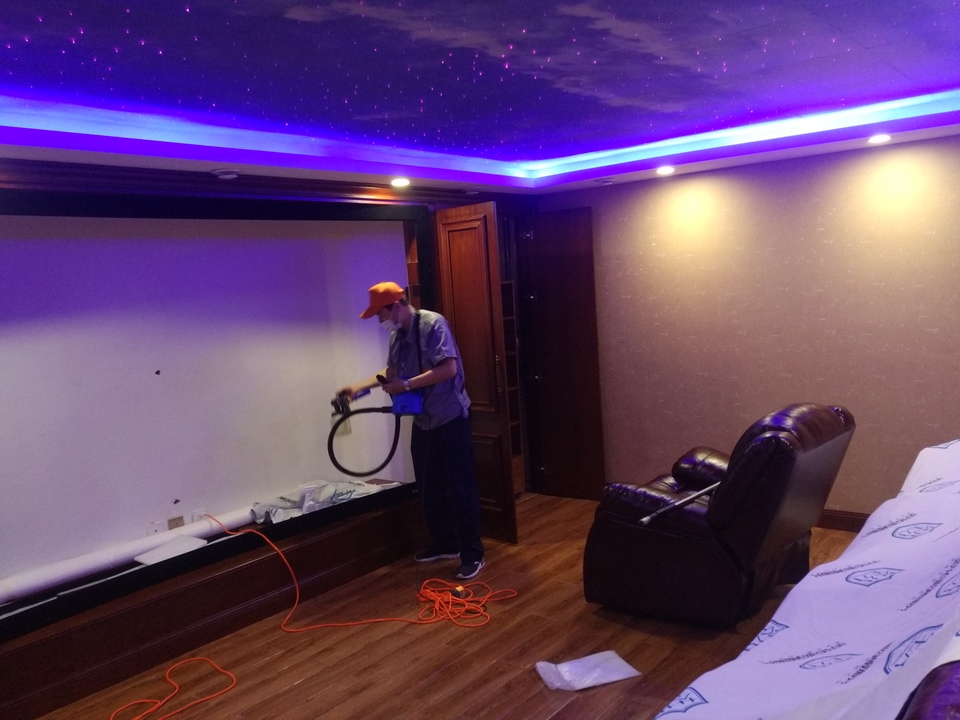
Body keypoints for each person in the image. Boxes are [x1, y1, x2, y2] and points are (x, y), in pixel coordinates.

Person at [338, 281, 485, 580]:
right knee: (429, 487)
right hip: (423, 422)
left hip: (450, 418)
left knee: (461, 488)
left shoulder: (433, 324)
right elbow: (391, 373)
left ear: (396, 306)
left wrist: (405, 385)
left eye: (381, 314)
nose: (380, 321)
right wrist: (358, 388)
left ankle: (473, 554)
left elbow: (448, 369)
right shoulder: (397, 336)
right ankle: (447, 543)